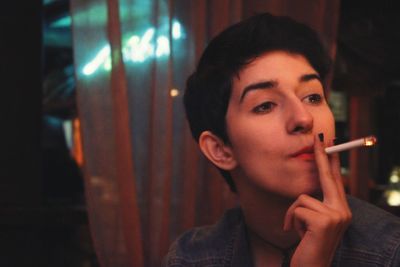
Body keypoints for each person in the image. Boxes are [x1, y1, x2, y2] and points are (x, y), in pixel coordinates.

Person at [163, 13, 400, 267]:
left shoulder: (390, 251)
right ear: (221, 149)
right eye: (265, 105)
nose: (304, 118)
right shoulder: (192, 259)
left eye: (312, 97)